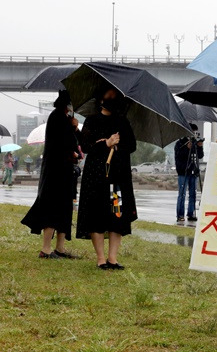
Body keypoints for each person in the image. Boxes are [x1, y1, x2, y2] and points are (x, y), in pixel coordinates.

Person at [76, 87, 137, 270]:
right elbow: (85, 147)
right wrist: (106, 143)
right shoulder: (92, 121)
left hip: (117, 179)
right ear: (100, 98)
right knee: (97, 216)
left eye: (115, 94)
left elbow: (132, 145)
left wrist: (119, 145)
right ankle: (101, 259)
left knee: (116, 216)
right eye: (108, 93)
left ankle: (113, 258)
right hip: (96, 179)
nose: (112, 97)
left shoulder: (122, 121)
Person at [22, 91, 81, 259]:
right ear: (67, 104)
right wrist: (74, 128)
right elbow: (68, 144)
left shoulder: (61, 118)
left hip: (63, 171)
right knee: (53, 208)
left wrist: (73, 127)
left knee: (64, 208)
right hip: (56, 173)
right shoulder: (59, 119)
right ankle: (46, 249)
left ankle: (60, 248)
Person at [174, 123, 204, 222]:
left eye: (195, 132)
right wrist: (187, 148)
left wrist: (199, 146)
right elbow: (179, 156)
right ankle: (180, 215)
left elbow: (200, 156)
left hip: (193, 171)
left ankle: (191, 214)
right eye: (192, 131)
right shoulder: (180, 143)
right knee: (182, 194)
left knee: (193, 194)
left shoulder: (195, 142)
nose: (194, 134)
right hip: (183, 172)